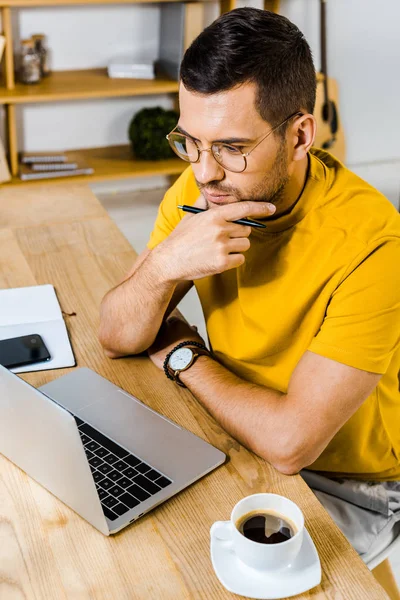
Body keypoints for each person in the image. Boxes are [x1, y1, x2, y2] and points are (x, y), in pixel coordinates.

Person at [99, 8, 400, 564]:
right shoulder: (204, 186)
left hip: (352, 483)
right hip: (238, 430)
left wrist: (184, 357)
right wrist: (167, 264)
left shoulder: (374, 243)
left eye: (232, 147)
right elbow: (116, 333)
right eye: (189, 141)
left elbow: (291, 444)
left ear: (300, 134)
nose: (205, 170)